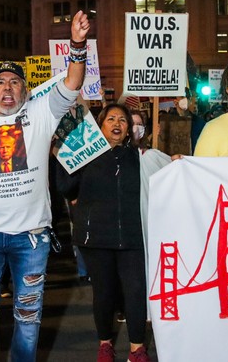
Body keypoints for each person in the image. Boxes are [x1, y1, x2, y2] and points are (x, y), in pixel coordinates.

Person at [0, 10, 90, 362]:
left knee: (28, 316)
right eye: (0, 82)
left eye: (14, 82)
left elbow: (72, 81)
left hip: (31, 237)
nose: (7, 88)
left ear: (24, 90)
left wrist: (77, 43)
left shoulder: (42, 112)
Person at [55, 104, 149, 362]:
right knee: (104, 293)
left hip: (132, 238)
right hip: (95, 238)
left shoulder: (140, 157)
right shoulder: (86, 155)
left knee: (135, 291)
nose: (117, 123)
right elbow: (65, 186)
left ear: (129, 128)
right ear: (101, 125)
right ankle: (105, 344)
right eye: (111, 119)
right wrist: (68, 154)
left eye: (122, 119)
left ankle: (137, 349)